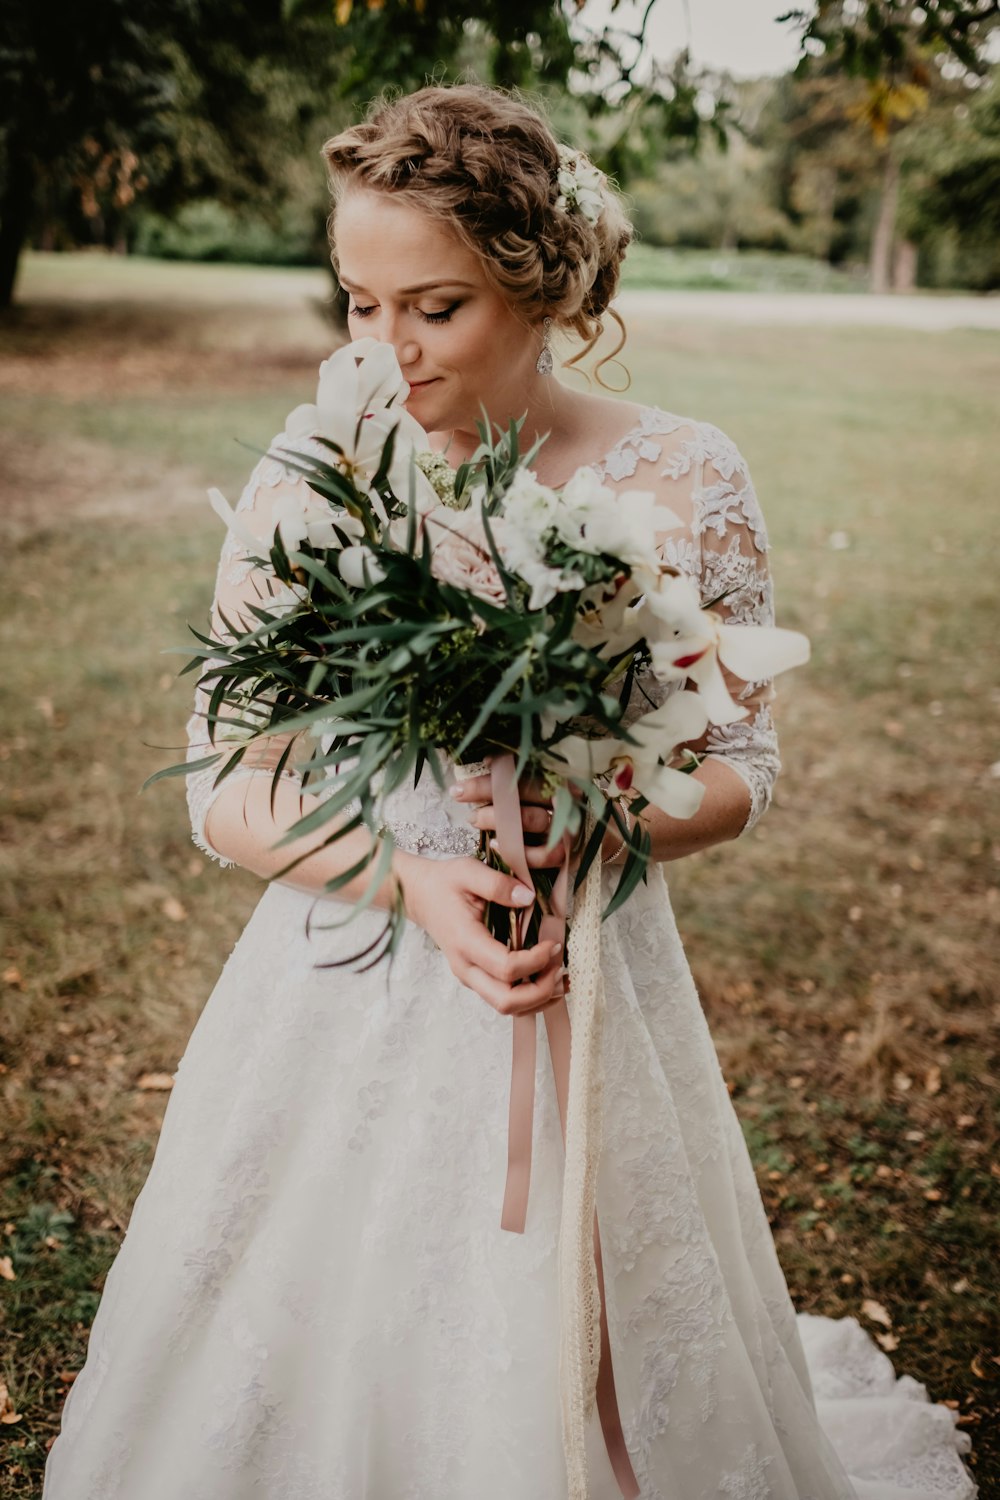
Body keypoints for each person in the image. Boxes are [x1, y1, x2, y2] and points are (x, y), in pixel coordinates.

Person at [42, 84, 976, 1500]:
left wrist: (612, 819)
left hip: (594, 984)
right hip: (342, 986)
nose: (389, 351)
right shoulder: (314, 483)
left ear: (542, 290)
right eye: (361, 305)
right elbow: (227, 789)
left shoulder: (684, 476)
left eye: (436, 307)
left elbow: (741, 766)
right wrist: (404, 873)